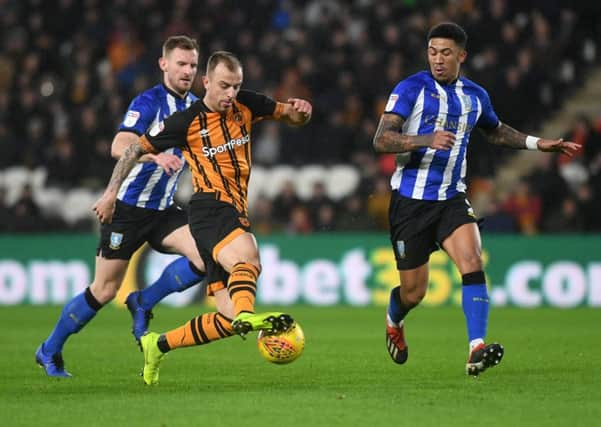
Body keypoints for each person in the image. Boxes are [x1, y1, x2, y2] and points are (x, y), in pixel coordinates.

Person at [373, 22, 580, 376]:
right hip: (410, 202)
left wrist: (537, 143)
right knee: (414, 293)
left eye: (446, 53)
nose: (438, 59)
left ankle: (476, 348)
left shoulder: (475, 96)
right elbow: (382, 138)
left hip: (452, 197)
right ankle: (395, 319)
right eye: (433, 52)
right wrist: (425, 140)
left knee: (472, 261)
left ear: (462, 56)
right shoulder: (411, 89)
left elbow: (495, 131)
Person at [93, 51, 312, 385]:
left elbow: (289, 116)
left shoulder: (247, 105)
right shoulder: (186, 121)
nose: (230, 94)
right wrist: (110, 194)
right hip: (210, 209)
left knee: (225, 317)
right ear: (206, 82)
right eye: (224, 86)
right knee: (248, 257)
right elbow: (132, 149)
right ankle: (247, 315)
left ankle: (158, 344)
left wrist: (302, 113)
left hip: (234, 209)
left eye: (236, 86)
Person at [35, 36, 235, 378]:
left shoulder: (195, 109)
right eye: (181, 64)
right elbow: (120, 144)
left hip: (163, 209)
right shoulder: (149, 102)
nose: (187, 71)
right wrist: (154, 156)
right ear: (164, 65)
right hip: (128, 208)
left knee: (207, 257)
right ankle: (49, 350)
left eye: (192, 65)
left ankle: (143, 300)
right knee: (104, 290)